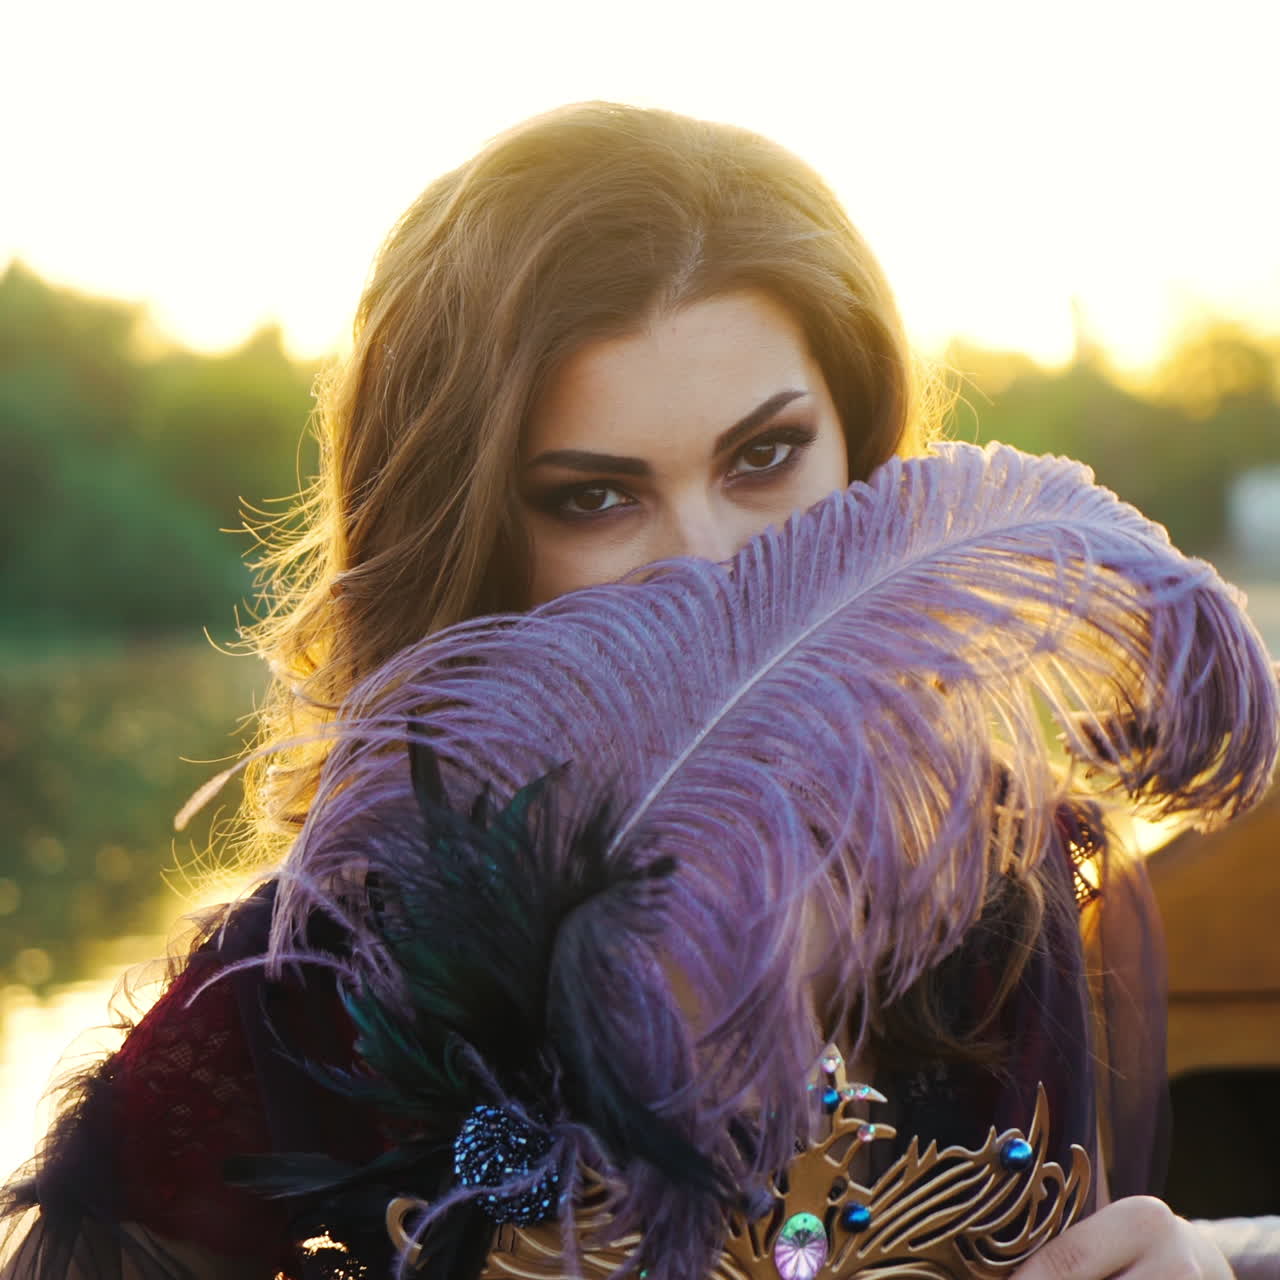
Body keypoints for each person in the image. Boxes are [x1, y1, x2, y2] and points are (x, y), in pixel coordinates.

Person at [1, 101, 1272, 1280]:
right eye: (594, 496)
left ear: (865, 454)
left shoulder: (986, 871)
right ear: (476, 536)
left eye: (765, 455)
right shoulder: (318, 983)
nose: (714, 568)